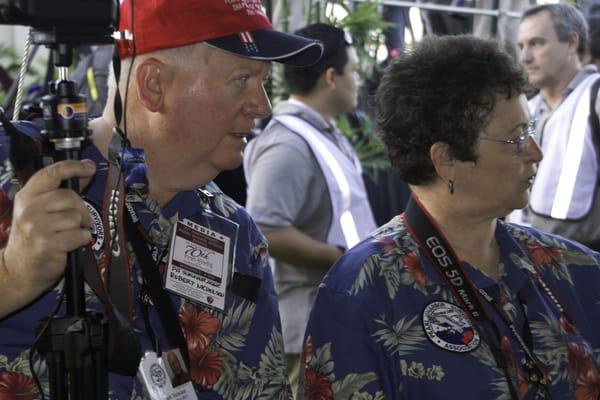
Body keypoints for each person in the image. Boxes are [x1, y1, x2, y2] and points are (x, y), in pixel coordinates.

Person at [0, 0, 323, 398]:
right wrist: (12, 276)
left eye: (263, 81)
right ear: (154, 84)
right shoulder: (14, 174)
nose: (262, 106)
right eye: (242, 79)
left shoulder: (239, 235)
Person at [297, 35, 600, 399]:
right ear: (446, 160)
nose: (536, 152)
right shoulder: (364, 289)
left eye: (531, 132)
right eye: (517, 138)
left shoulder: (573, 269)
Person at [243, 23, 376, 394]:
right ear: (331, 77)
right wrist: (343, 258)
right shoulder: (288, 144)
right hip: (304, 332)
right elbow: (265, 229)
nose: (358, 80)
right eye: (353, 71)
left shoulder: (320, 134)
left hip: (332, 321)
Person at [512, 4, 600, 250]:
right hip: (525, 260)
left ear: (572, 43)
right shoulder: (525, 108)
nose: (524, 57)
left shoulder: (594, 96)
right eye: (521, 46)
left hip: (584, 265)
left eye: (537, 43)